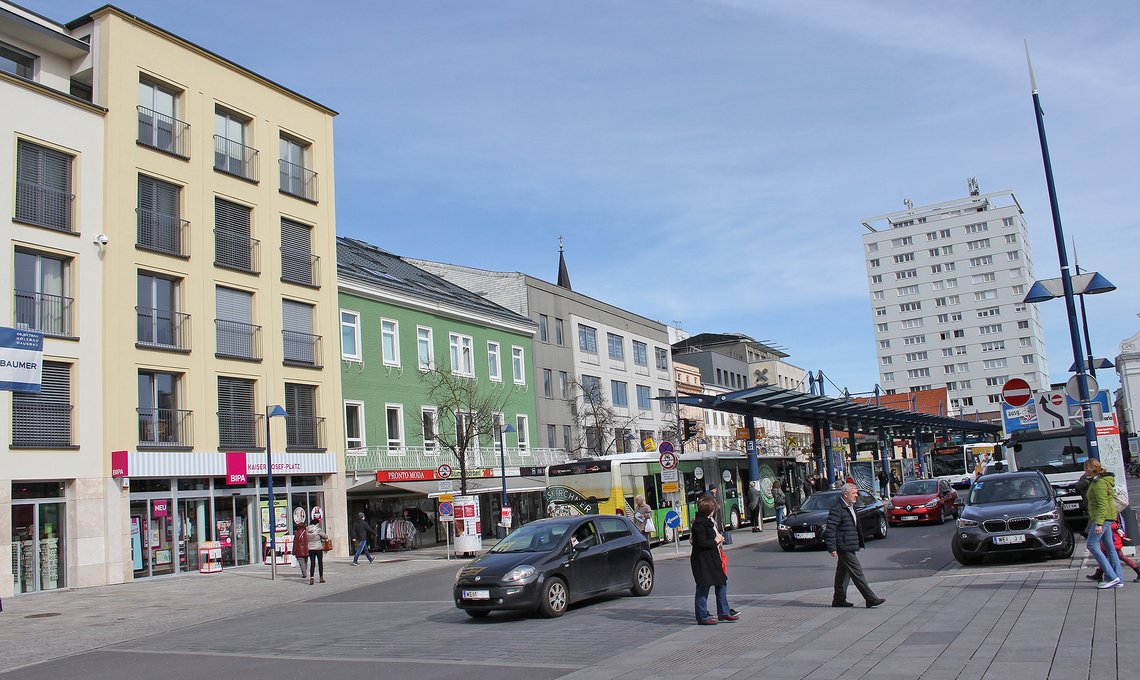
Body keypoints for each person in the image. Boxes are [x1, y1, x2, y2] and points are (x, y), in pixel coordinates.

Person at [826, 483, 886, 608]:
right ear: (845, 494)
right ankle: (870, 598)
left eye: (856, 493)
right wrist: (832, 547)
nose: (856, 495)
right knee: (857, 572)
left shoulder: (851, 506)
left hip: (849, 543)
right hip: (844, 545)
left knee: (843, 573)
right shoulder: (838, 508)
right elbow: (831, 528)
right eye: (854, 493)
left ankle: (838, 599)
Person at [690, 495, 737, 625]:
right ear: (709, 510)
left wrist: (718, 538)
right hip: (702, 561)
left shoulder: (708, 521)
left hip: (712, 559)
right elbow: (700, 543)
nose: (714, 510)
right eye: (713, 508)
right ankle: (702, 616)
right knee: (703, 588)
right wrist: (715, 540)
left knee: (722, 582)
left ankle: (723, 612)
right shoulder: (699, 524)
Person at [1084, 459, 1123, 588]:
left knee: (1091, 545)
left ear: (1090, 469)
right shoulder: (1098, 481)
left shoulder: (1099, 483)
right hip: (1107, 517)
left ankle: (1111, 576)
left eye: (1085, 469)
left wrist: (1099, 523)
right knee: (1110, 548)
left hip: (1103, 518)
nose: (1084, 471)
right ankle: (1118, 579)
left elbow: (1102, 505)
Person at [1086, 518, 1140, 583]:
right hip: (1111, 540)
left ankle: (1137, 569)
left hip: (1113, 541)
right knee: (1105, 556)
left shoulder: (1109, 518)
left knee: (1120, 556)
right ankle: (1099, 573)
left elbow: (1114, 526)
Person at [305, 519, 329, 585]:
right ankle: (321, 577)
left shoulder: (307, 529)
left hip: (310, 548)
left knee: (312, 563)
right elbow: (325, 536)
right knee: (320, 563)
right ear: (316, 523)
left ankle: (311, 577)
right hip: (318, 547)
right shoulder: (318, 529)